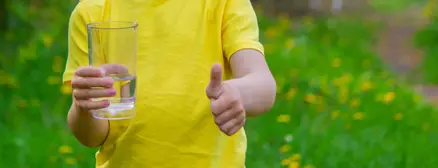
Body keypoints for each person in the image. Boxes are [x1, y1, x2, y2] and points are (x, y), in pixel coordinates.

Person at [62, 0, 277, 167]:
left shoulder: (222, 3)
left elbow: (262, 83)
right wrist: (84, 107)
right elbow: (92, 136)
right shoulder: (92, 11)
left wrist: (238, 93)